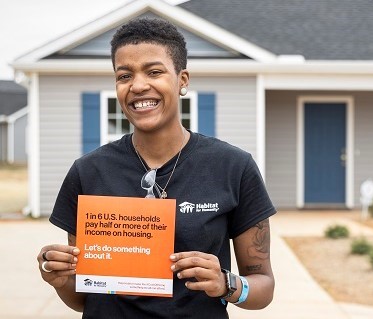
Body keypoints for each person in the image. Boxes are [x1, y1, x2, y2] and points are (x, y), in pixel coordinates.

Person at [36, 18, 276, 318]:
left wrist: (227, 283)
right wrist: (61, 282)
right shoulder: (88, 171)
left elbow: (264, 286)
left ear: (182, 80)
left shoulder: (234, 167)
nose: (138, 85)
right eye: (124, 75)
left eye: (154, 72)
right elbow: (84, 298)